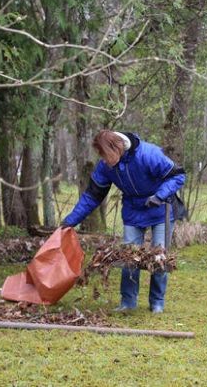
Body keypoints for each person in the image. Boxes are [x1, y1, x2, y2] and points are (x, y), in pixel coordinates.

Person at [61, 130, 186, 314]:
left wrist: (159, 196)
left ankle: (157, 302)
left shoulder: (148, 154)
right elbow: (92, 196)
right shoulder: (105, 166)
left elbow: (178, 176)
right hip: (133, 211)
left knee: (159, 257)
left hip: (161, 208)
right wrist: (71, 220)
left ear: (116, 148)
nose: (103, 160)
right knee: (129, 257)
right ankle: (128, 301)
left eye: (105, 154)